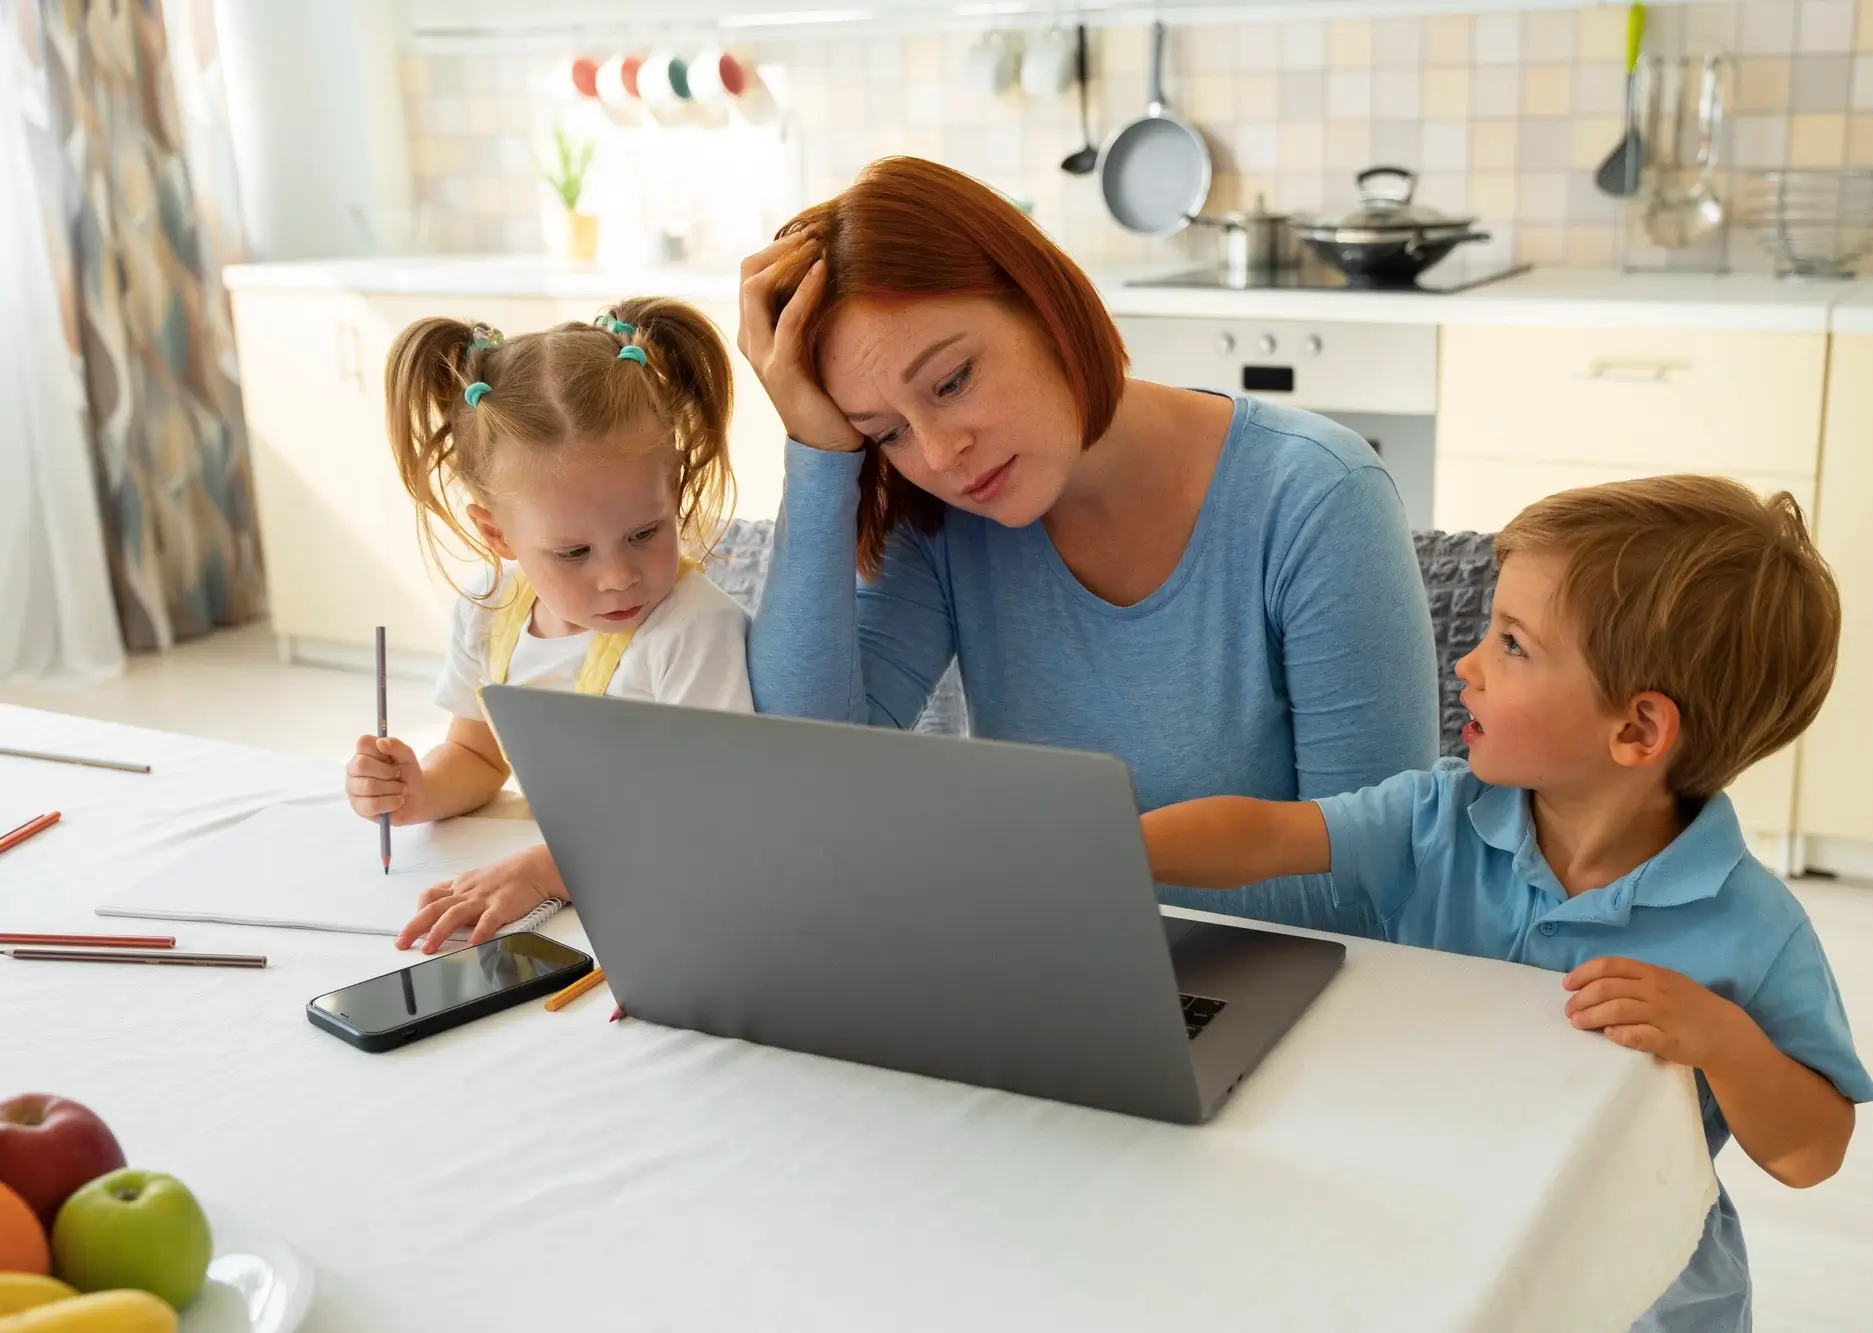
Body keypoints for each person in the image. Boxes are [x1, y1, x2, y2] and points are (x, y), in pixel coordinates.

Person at [1142, 474, 1873, 1332]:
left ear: (1638, 731)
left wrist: (1721, 1037)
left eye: (1513, 644)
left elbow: (1812, 1153)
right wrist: (1109, 844)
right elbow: (1267, 836)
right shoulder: (1436, 819)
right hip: (1427, 1240)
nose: (1468, 662)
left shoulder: (1752, 928)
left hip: (1641, 1301)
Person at [738, 157, 1439, 933]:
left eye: (951, 381)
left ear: (1041, 301)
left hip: (1285, 994)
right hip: (1046, 964)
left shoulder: (1317, 497)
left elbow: (1374, 880)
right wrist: (817, 452)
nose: (940, 454)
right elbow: (810, 770)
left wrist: (1049, 876)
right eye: (888, 432)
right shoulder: (943, 518)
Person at [344, 299, 753, 952]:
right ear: (496, 533)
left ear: (672, 484)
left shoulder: (693, 631)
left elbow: (704, 819)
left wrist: (545, 869)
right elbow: (479, 757)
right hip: (552, 907)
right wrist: (415, 790)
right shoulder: (490, 610)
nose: (618, 575)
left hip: (660, 910)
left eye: (645, 531)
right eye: (574, 552)